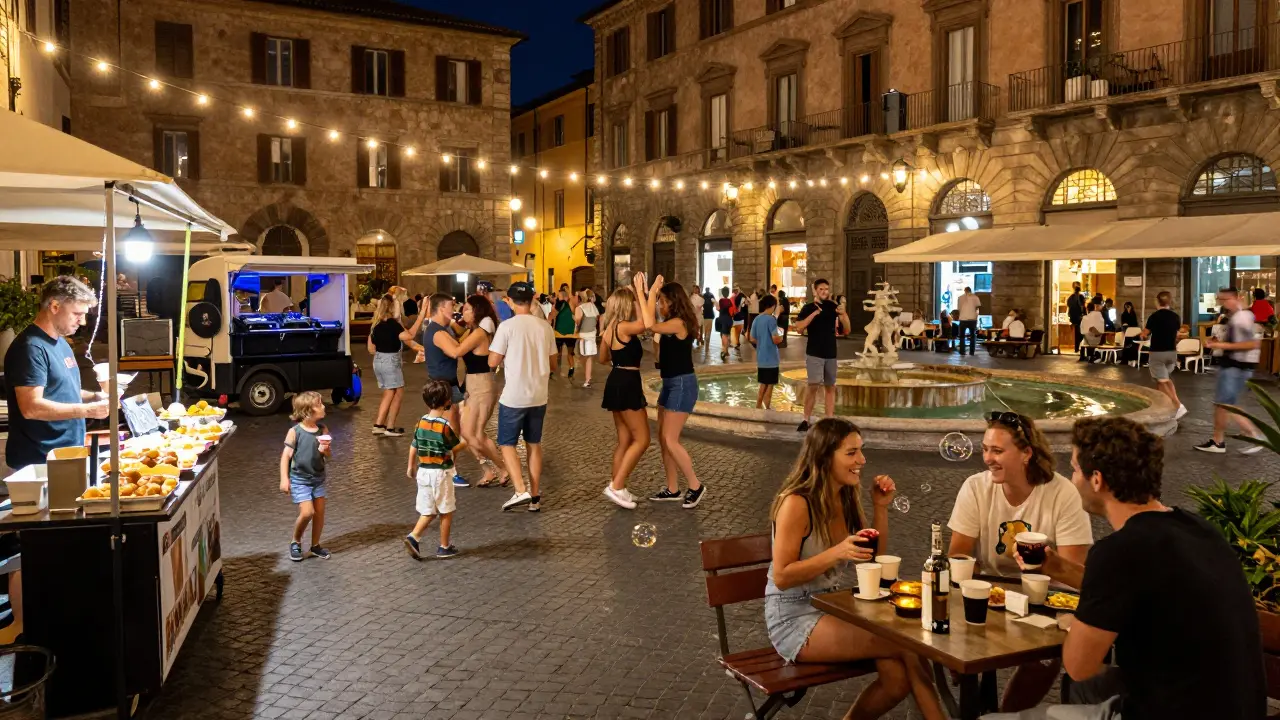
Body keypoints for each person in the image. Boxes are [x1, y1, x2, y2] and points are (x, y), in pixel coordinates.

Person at [983, 417, 1266, 720]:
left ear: (1097, 480)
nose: (1072, 477)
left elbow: (1079, 665)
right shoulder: (1200, 530)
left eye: (1076, 469)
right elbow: (1143, 593)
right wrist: (1057, 568)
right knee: (1089, 690)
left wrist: (1081, 622)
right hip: (1238, 708)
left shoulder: (1120, 550)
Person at [766, 419, 946, 720]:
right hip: (793, 617)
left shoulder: (845, 496)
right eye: (851, 453)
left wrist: (880, 507)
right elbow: (782, 576)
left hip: (832, 607)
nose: (861, 460)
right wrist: (836, 552)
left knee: (898, 679)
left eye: (861, 451)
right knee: (907, 643)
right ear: (825, 456)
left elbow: (874, 558)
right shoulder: (796, 503)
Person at [947, 411, 1092, 711]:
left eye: (997, 451)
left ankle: (1005, 717)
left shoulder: (1063, 493)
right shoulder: (975, 487)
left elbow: (1073, 574)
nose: (987, 458)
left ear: (1026, 453)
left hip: (1048, 597)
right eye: (986, 449)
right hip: (991, 593)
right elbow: (958, 556)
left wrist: (1045, 566)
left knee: (1046, 656)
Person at [4, 276, 109, 632]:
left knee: (61, 543)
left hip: (65, 457)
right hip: (38, 460)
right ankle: (24, 628)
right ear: (54, 305)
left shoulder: (60, 344)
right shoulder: (29, 347)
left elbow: (64, 391)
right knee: (32, 546)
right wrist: (88, 413)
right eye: (78, 313)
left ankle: (58, 615)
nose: (82, 321)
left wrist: (96, 398)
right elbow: (32, 406)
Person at [636, 273, 707, 508]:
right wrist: (651, 293)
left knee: (670, 438)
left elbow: (649, 324)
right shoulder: (673, 321)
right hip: (670, 383)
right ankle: (673, 488)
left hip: (682, 384)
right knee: (664, 439)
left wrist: (649, 291)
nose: (659, 305)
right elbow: (649, 321)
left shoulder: (678, 323)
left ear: (672, 301)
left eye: (662, 301)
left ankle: (696, 486)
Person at [488, 282, 557, 512]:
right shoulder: (545, 327)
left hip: (514, 396)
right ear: (532, 300)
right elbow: (554, 363)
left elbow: (492, 361)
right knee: (534, 444)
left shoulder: (506, 327)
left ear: (509, 301)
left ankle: (520, 490)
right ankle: (535, 496)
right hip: (539, 395)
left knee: (506, 443)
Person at [420, 293, 489, 487]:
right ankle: (448, 472)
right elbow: (456, 351)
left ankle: (451, 468)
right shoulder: (438, 332)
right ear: (441, 308)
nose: (455, 309)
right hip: (443, 387)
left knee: (456, 431)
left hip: (448, 384)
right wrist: (478, 335)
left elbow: (458, 339)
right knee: (450, 432)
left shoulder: (442, 328)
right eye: (451, 305)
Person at [1198, 287, 1265, 454]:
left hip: (1235, 367)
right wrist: (1218, 341)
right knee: (1224, 404)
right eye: (1221, 299)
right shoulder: (1237, 317)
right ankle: (1218, 440)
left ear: (1237, 298)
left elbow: (1252, 344)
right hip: (1234, 366)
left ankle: (1252, 435)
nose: (1223, 303)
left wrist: (1221, 345)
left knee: (1225, 405)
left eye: (1225, 299)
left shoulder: (1241, 318)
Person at [600, 287, 650, 510]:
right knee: (642, 439)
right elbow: (645, 324)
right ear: (625, 305)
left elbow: (602, 358)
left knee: (624, 440)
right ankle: (616, 486)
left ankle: (618, 486)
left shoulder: (610, 328)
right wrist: (640, 295)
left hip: (616, 379)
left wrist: (617, 357)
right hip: (628, 381)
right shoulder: (623, 326)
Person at [403, 380, 465, 560]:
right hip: (440, 473)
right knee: (446, 510)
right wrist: (466, 444)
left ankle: (414, 536)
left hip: (423, 472)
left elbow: (414, 445)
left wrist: (410, 466)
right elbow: (453, 447)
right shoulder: (444, 426)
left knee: (428, 510)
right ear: (447, 401)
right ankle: (444, 546)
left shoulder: (421, 422)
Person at [457, 295, 509, 488]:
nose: (464, 312)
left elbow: (457, 351)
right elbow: (457, 338)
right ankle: (488, 470)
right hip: (473, 385)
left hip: (482, 386)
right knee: (473, 434)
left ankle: (503, 467)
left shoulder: (480, 333)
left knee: (473, 433)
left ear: (477, 310)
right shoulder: (473, 330)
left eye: (467, 309)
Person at [279, 392, 332, 562]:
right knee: (308, 512)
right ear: (308, 411)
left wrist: (326, 451)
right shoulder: (295, 432)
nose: (323, 406)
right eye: (319, 404)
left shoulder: (323, 430)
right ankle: (296, 541)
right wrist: (284, 479)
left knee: (320, 513)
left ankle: (315, 545)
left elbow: (328, 455)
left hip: (318, 477)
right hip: (300, 479)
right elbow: (286, 456)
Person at [793, 278, 851, 432]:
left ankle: (829, 418)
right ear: (815, 291)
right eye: (821, 289)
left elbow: (847, 330)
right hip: (814, 353)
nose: (824, 292)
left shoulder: (833, 307)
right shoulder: (808, 308)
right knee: (812, 386)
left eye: (826, 289)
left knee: (830, 387)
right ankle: (806, 419)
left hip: (831, 353)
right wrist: (814, 314)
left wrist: (844, 315)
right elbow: (799, 328)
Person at [368, 294, 423, 438]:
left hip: (378, 360)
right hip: (390, 360)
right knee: (391, 392)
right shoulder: (393, 325)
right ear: (393, 308)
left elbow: (370, 349)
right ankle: (380, 425)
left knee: (396, 391)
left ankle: (388, 425)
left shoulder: (375, 325)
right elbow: (410, 335)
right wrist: (421, 315)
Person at [1140, 291, 1187, 420]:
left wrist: (1142, 334)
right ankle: (1165, 407)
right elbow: (1177, 333)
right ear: (1169, 302)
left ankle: (1178, 405)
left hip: (1157, 353)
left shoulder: (1154, 317)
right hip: (1172, 352)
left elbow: (1145, 333)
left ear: (1157, 301)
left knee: (1162, 380)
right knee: (1164, 379)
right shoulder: (1175, 317)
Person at [748, 295, 784, 409]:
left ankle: (758, 406)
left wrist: (762, 342)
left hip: (761, 356)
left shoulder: (757, 319)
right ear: (773, 306)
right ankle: (767, 408)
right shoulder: (771, 319)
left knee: (763, 383)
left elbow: (751, 338)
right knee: (770, 385)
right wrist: (781, 332)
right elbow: (776, 339)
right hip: (771, 357)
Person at [574, 289, 601, 388]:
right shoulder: (594, 307)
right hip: (592, 335)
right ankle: (588, 378)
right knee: (589, 357)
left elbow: (577, 321)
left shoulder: (580, 308)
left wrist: (575, 331)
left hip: (583, 336)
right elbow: (598, 319)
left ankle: (587, 378)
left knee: (582, 356)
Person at [552, 289, 578, 380]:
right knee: (570, 353)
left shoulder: (559, 304)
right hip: (571, 333)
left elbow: (552, 315)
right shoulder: (573, 304)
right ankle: (571, 369)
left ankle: (552, 371)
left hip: (559, 332)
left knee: (557, 352)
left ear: (561, 296)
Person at [956, 286, 981, 356]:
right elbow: (978, 308)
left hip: (963, 319)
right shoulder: (975, 297)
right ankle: (972, 352)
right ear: (971, 291)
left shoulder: (960, 298)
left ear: (965, 291)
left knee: (962, 336)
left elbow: (959, 309)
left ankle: (962, 351)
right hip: (972, 319)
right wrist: (976, 316)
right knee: (972, 336)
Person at [715, 286, 736, 361]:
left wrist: (715, 303)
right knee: (727, 334)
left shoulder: (721, 300)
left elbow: (719, 309)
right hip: (729, 319)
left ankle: (724, 351)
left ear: (722, 293)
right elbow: (732, 311)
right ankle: (726, 351)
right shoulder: (730, 301)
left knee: (724, 335)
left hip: (723, 319)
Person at [1066, 281, 1085, 352]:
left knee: (1079, 333)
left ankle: (1078, 347)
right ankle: (1078, 347)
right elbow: (1081, 306)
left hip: (1077, 318)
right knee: (1079, 333)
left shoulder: (1075, 297)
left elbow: (1082, 306)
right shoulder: (1075, 297)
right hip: (1077, 318)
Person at [699, 286, 716, 352]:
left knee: (704, 328)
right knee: (709, 329)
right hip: (710, 314)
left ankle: (703, 337)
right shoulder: (712, 295)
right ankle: (707, 340)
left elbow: (701, 304)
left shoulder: (703, 296)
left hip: (704, 314)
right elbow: (714, 303)